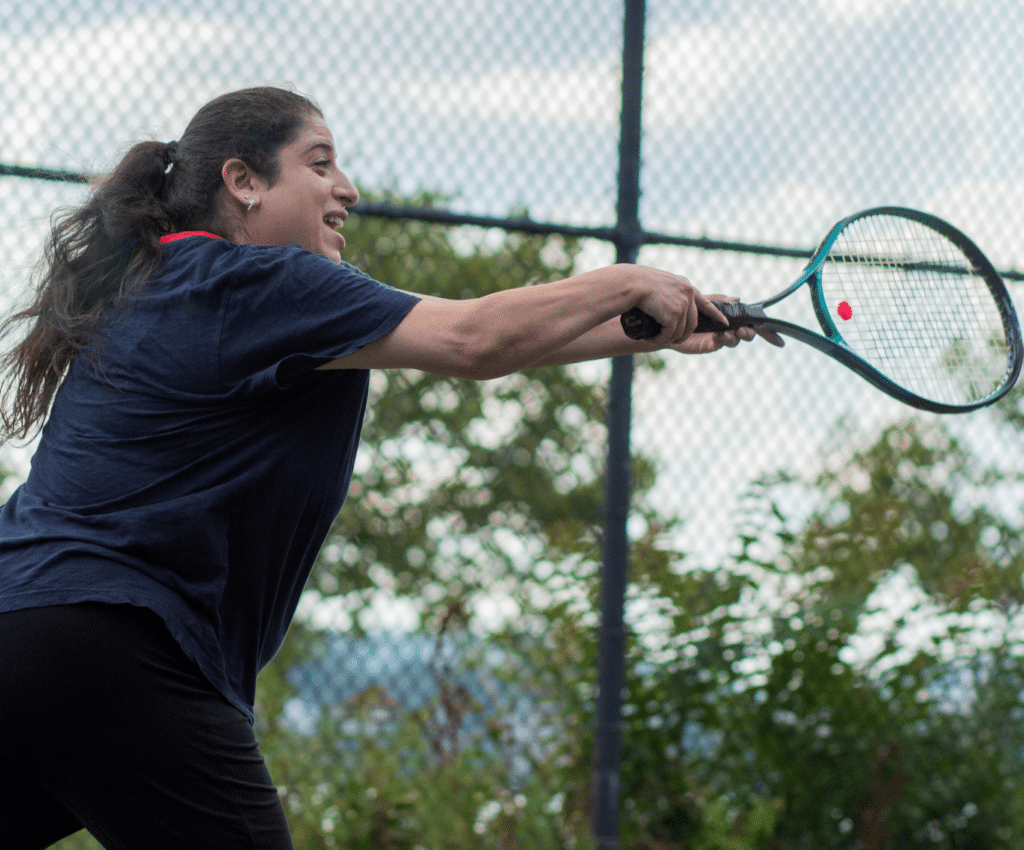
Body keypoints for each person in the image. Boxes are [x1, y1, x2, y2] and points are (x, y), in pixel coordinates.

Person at [0, 86, 778, 849]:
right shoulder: (266, 282)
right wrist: (627, 278)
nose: (349, 188)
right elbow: (474, 340)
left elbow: (484, 338)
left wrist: (641, 329)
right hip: (117, 647)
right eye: (320, 163)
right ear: (244, 183)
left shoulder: (163, 286)